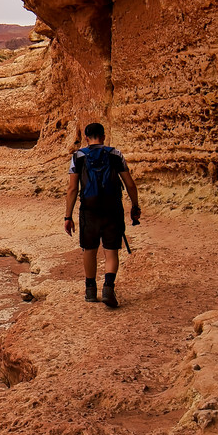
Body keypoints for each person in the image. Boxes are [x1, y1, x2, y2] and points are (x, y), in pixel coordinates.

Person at [63, 122, 142, 308]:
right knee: (111, 250)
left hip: (89, 210)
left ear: (86, 138)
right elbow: (130, 184)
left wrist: (68, 217)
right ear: (104, 136)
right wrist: (135, 206)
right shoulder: (115, 154)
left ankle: (90, 290)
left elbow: (72, 188)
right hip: (113, 208)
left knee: (89, 249)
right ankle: (108, 287)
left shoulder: (78, 156)